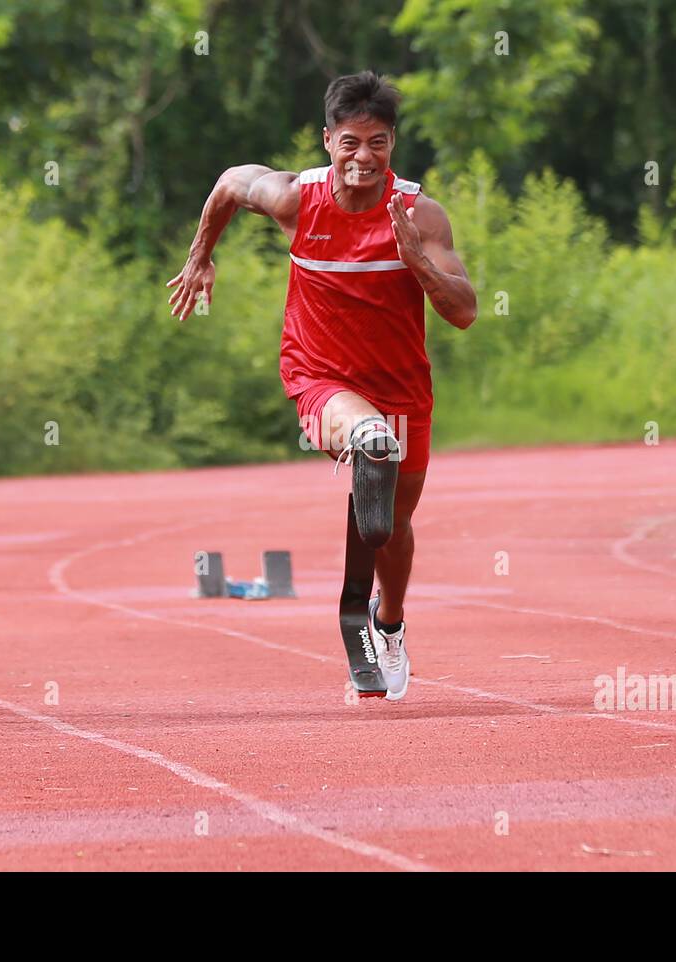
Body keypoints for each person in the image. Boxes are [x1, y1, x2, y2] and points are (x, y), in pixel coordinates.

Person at [166, 70, 477, 699]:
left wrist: (416, 260)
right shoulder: (293, 198)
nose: (364, 158)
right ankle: (350, 615)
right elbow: (229, 183)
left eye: (379, 144)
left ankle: (388, 623)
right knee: (371, 442)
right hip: (319, 375)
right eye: (352, 142)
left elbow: (464, 310)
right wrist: (201, 256)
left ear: (393, 145)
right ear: (327, 139)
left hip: (403, 387)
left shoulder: (420, 214)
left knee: (391, 523)